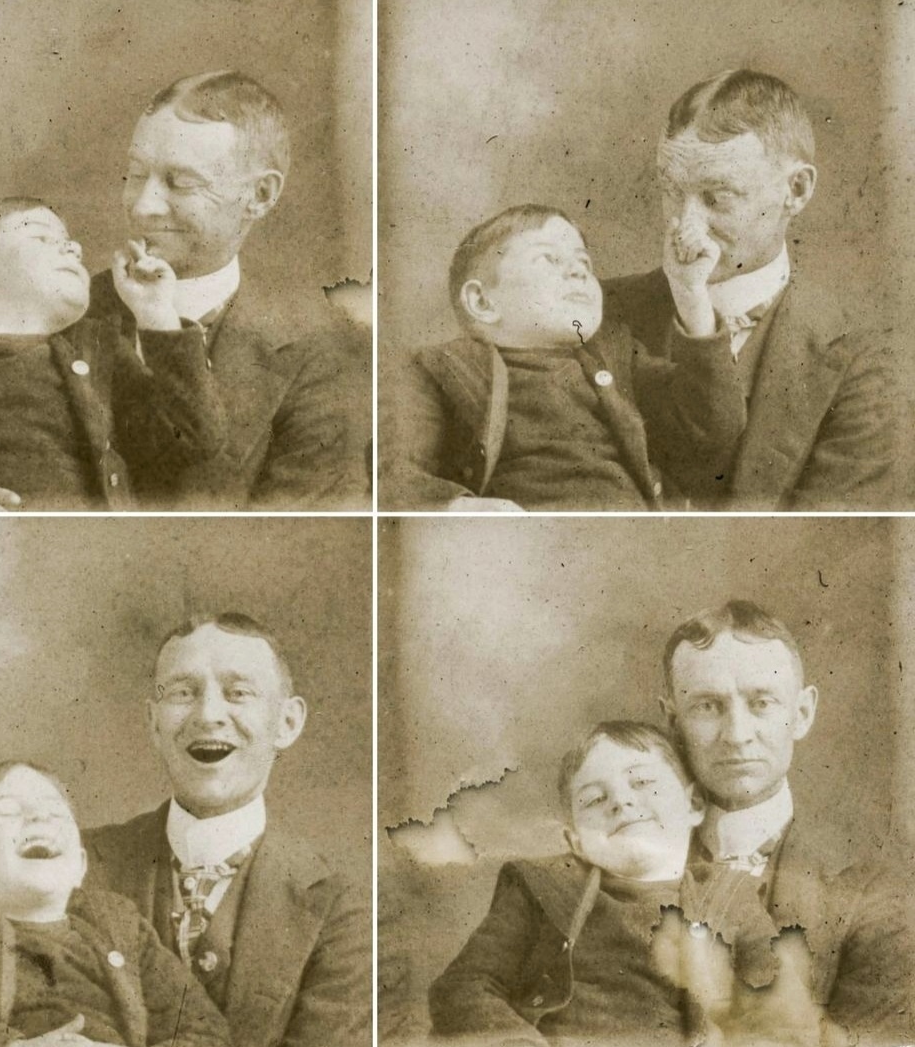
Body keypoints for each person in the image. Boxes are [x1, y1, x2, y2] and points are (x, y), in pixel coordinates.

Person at [604, 69, 900, 510]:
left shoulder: (863, 364)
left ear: (795, 191)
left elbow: (832, 550)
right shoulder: (597, 313)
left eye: (717, 197)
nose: (685, 227)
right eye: (671, 191)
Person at [85, 71, 371, 510]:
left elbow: (298, 538)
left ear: (259, 195)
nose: (143, 206)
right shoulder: (65, 312)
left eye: (181, 183)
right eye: (135, 174)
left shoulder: (330, 352)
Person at [82, 613, 370, 1047]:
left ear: (287, 723)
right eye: (183, 692)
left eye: (238, 693)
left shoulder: (340, 905)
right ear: (154, 722)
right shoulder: (82, 866)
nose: (208, 715)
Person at [0, 197, 224, 511]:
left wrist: (155, 311)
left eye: (71, 243)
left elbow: (192, 439)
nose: (74, 248)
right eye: (43, 237)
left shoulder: (102, 350)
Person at [429, 721, 780, 1046]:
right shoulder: (541, 888)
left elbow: (774, 1000)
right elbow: (464, 986)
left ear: (693, 804)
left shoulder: (729, 895)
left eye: (642, 782)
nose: (621, 802)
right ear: (576, 841)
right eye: (595, 799)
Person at [661, 599, 915, 1044]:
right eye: (707, 706)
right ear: (672, 721)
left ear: (801, 714)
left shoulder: (878, 883)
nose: (736, 734)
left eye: (761, 703)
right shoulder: (630, 865)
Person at [379, 204, 745, 511]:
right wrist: (459, 506)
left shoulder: (616, 357)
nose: (577, 271)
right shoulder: (439, 368)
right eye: (548, 259)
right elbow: (392, 470)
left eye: (583, 262)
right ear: (482, 302)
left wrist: (690, 292)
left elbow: (710, 429)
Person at [0, 761, 231, 1047]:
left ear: (80, 865)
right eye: (6, 812)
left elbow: (203, 1027)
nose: (39, 818)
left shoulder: (120, 925)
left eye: (55, 813)